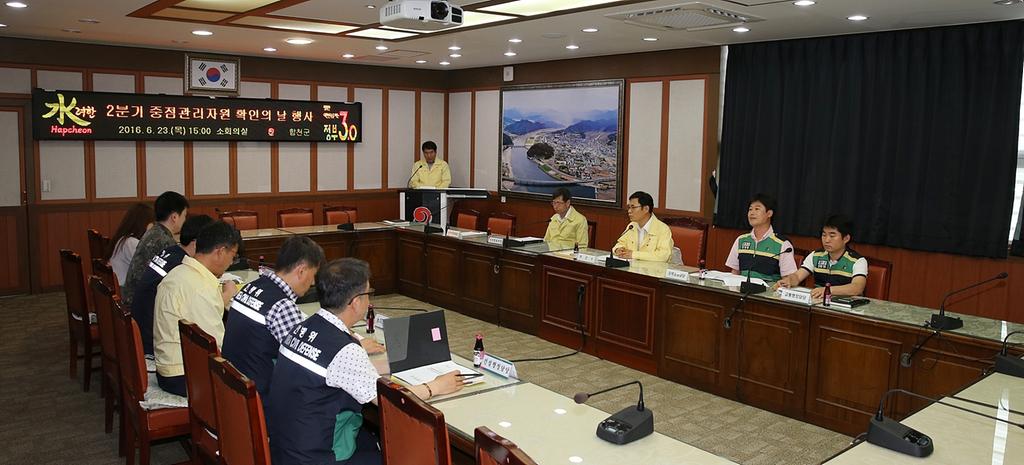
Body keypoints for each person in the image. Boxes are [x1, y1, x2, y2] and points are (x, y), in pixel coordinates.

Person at [268, 258, 464, 465]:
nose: (370, 301)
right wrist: (436, 387)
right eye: (368, 293)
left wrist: (400, 363)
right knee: (407, 457)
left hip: (285, 445)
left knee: (373, 440)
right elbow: (390, 401)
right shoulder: (344, 349)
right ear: (355, 302)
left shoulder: (305, 327)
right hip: (315, 457)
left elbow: (346, 371)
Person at [223, 236, 349, 405]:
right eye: (313, 275)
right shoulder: (282, 306)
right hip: (262, 400)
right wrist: (346, 346)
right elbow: (308, 357)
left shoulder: (251, 287)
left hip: (233, 390)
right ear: (301, 271)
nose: (313, 282)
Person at [153, 221, 240, 397]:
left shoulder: (178, 272)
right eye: (233, 256)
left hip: (170, 367)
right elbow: (217, 349)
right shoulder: (200, 289)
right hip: (183, 375)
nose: (231, 263)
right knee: (253, 379)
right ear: (220, 252)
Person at [132, 214, 215, 358]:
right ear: (196, 244)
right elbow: (198, 305)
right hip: (153, 346)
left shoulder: (170, 251)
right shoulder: (181, 266)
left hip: (141, 330)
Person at [121, 191, 189, 308]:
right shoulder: (164, 241)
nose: (185, 220)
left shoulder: (154, 232)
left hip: (133, 299)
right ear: (174, 217)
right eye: (184, 216)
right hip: (141, 305)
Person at [777, 214, 868, 298]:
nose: (827, 240)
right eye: (824, 235)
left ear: (846, 238)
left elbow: (857, 288)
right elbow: (797, 276)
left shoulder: (857, 261)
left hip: (844, 306)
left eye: (832, 236)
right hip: (818, 303)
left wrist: (827, 290)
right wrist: (788, 280)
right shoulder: (815, 256)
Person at [725, 193, 798, 282]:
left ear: (769, 213)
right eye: (750, 209)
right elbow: (735, 272)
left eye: (757, 209)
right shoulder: (741, 240)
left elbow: (788, 279)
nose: (752, 213)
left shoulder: (783, 244)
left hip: (769, 290)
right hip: (742, 289)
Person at [612, 191, 674, 262]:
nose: (629, 211)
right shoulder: (632, 225)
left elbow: (663, 256)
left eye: (633, 207)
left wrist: (633, 254)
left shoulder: (663, 229)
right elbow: (621, 242)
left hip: (652, 268)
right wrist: (618, 249)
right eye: (629, 207)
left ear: (646, 209)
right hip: (632, 267)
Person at [106, 203, 154, 286]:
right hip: (124, 290)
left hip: (119, 287)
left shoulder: (124, 239)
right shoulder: (131, 242)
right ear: (145, 224)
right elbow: (149, 270)